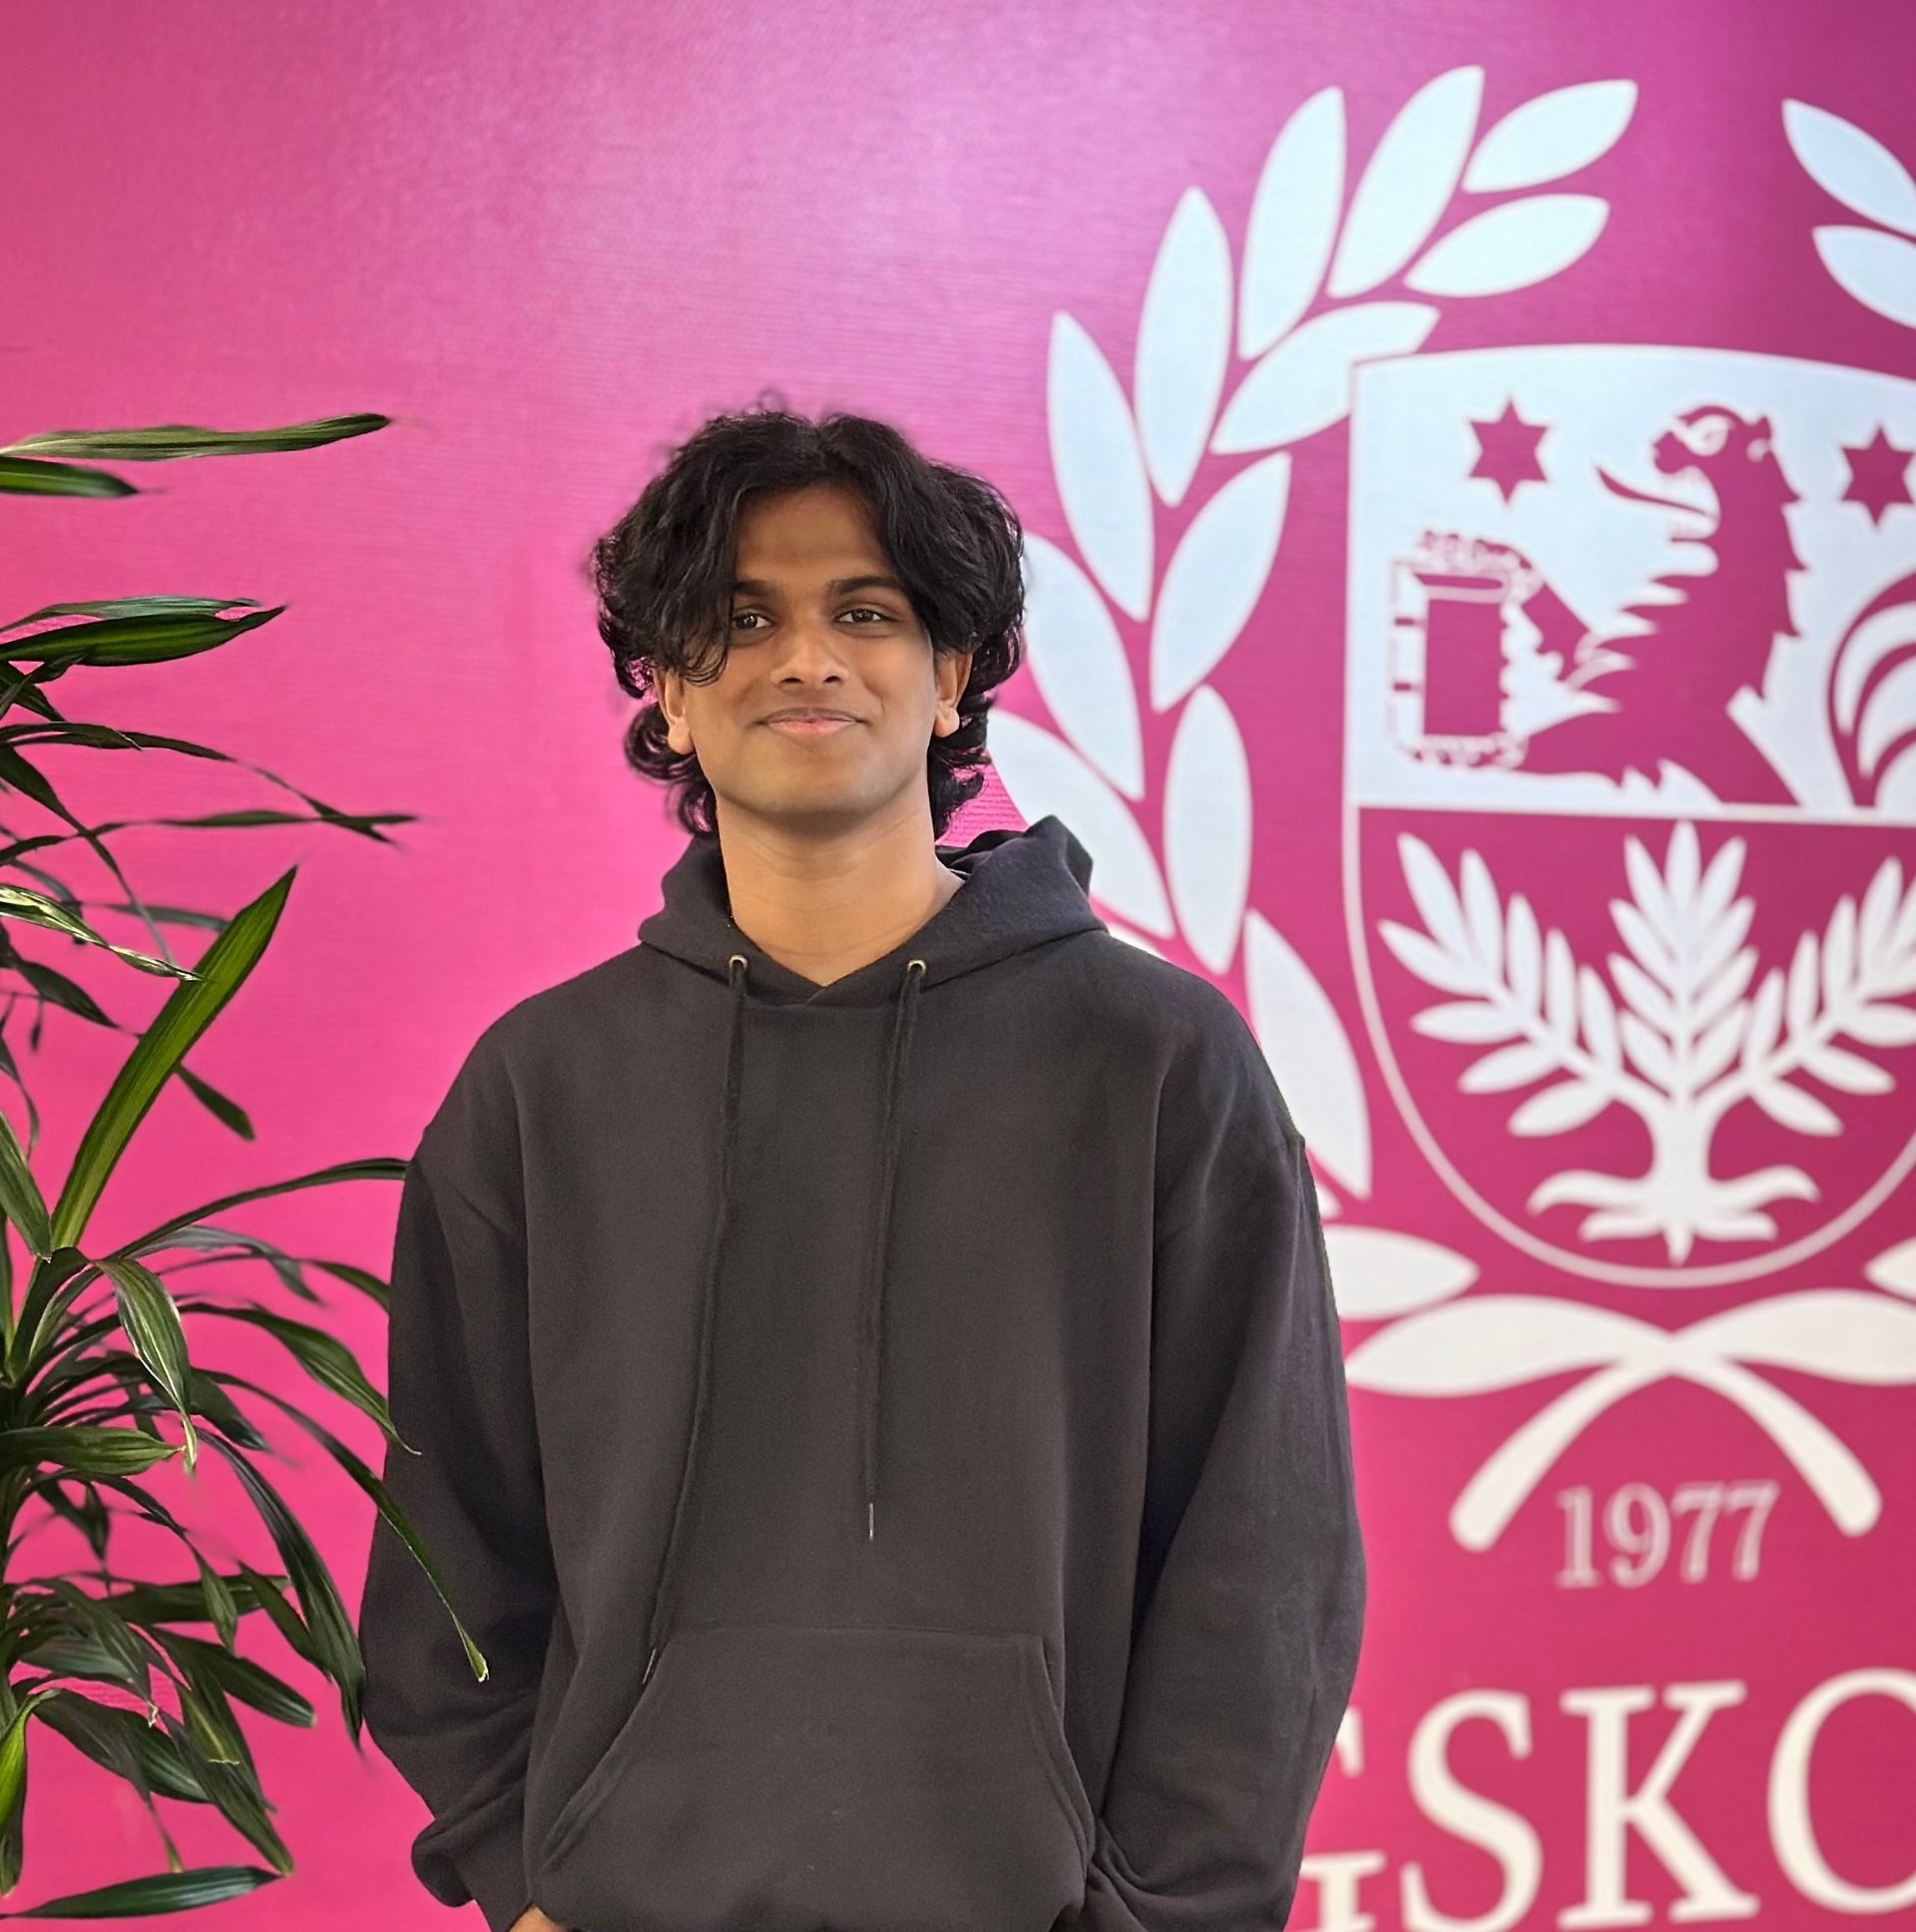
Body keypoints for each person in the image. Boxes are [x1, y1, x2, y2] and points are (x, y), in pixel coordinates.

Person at [358, 401, 1366, 1932]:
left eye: (867, 611)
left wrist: (1161, 1916)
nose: (806, 654)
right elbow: (447, 1554)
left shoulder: (1155, 1060)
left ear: (951, 676)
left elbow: (1265, 1556)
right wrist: (525, 1877)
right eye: (740, 616)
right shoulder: (539, 1087)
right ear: (670, 697)